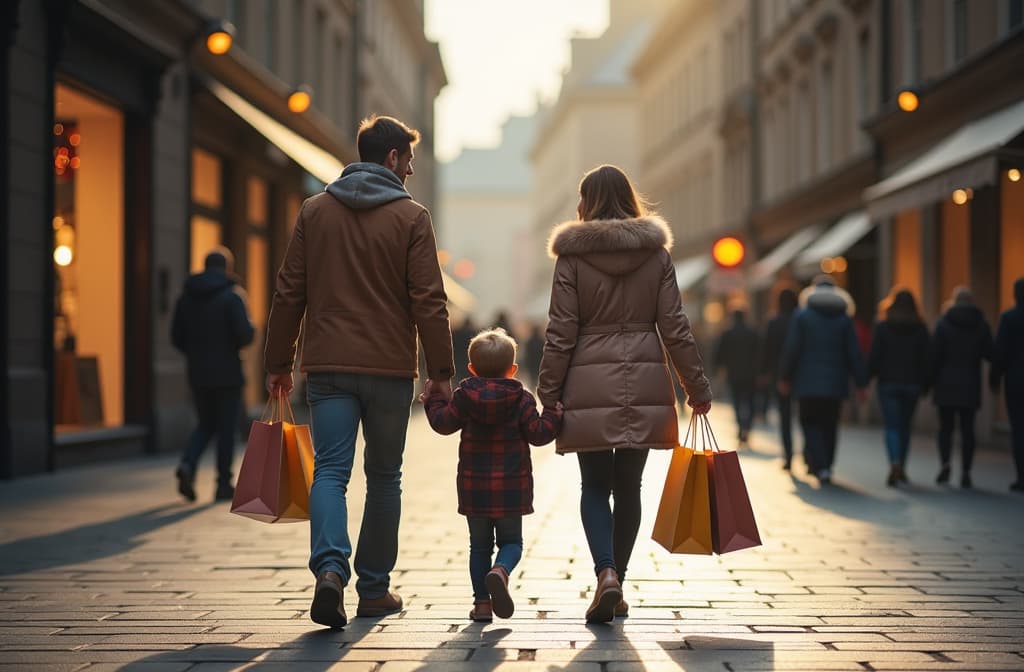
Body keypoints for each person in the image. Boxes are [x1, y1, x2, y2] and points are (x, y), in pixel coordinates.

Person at [264, 115, 454, 629]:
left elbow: (289, 292)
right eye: (409, 160)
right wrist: (441, 371)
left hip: (326, 365)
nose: (411, 171)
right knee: (385, 477)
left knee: (329, 470)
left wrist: (278, 364)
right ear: (392, 157)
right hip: (390, 368)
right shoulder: (412, 218)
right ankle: (373, 589)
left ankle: (329, 570)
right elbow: (429, 301)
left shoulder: (314, 211)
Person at [537, 164, 712, 623]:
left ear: (585, 201)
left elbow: (560, 332)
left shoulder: (572, 258)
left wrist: (548, 393)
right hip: (645, 379)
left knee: (594, 485)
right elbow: (675, 327)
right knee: (629, 486)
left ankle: (605, 574)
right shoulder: (656, 256)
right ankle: (620, 578)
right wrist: (696, 387)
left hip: (587, 380)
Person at [422, 328, 562, 622]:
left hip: (475, 488)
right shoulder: (521, 398)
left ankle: (482, 605)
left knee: (479, 546)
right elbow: (538, 434)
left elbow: (443, 423)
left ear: (471, 368)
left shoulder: (463, 396)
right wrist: (553, 415)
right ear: (513, 369)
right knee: (512, 543)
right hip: (512, 486)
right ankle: (501, 570)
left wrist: (432, 400)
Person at [170, 247, 254, 503]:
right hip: (228, 373)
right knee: (226, 429)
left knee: (205, 424)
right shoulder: (233, 296)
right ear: (226, 268)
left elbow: (176, 337)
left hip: (198, 373)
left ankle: (188, 463)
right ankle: (223, 485)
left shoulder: (186, 297)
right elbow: (245, 335)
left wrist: (196, 354)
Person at [779, 276, 867, 484]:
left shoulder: (802, 316)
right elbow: (853, 353)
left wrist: (785, 376)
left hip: (807, 383)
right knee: (830, 424)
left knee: (809, 422)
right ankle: (826, 464)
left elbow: (792, 349)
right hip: (836, 382)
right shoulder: (845, 319)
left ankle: (819, 464)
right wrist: (861, 382)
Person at [930, 287, 993, 489]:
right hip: (970, 383)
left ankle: (945, 463)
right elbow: (990, 353)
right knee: (968, 430)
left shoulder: (943, 323)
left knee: (945, 429)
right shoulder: (981, 325)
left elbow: (935, 357)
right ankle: (966, 471)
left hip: (945, 383)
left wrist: (928, 382)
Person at [867, 288, 929, 486]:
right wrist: (926, 383)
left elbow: (875, 355)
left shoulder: (883, 326)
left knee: (892, 426)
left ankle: (894, 462)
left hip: (888, 383)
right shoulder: (920, 328)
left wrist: (867, 377)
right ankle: (901, 466)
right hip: (912, 384)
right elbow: (927, 358)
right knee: (905, 427)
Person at [758, 288, 798, 470]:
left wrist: (765, 373)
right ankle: (809, 454)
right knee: (805, 416)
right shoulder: (800, 320)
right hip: (801, 374)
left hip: (779, 375)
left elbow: (767, 350)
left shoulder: (774, 322)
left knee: (785, 416)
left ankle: (788, 455)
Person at [991, 278, 1024, 492]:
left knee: (1019, 429)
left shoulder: (1009, 318)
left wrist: (995, 377)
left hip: (1016, 381)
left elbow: (1000, 352)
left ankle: (1022, 476)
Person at [712, 308, 759, 446]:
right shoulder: (752, 333)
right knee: (750, 402)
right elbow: (759, 353)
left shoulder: (727, 333)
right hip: (750, 374)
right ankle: (747, 427)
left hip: (734, 374)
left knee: (737, 402)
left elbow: (719, 353)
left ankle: (740, 427)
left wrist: (717, 369)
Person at [451, 316, 476, 381]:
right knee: (465, 373)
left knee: (459, 373)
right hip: (467, 358)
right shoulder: (472, 333)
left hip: (458, 357)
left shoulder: (456, 333)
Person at [522, 322, 545, 389]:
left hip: (531, 364)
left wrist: (526, 364)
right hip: (539, 363)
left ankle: (532, 391)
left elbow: (526, 354)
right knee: (538, 378)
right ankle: (537, 390)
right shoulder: (541, 341)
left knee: (532, 379)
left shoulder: (529, 341)